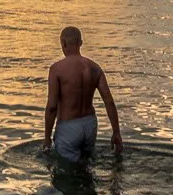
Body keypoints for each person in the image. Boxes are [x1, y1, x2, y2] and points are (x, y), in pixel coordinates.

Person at [43, 26, 123, 162]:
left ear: (62, 43)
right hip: (90, 124)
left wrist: (47, 138)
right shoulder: (94, 67)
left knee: (67, 173)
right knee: (87, 167)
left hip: (69, 127)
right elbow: (109, 101)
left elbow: (52, 107)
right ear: (81, 43)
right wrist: (116, 132)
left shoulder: (56, 69)